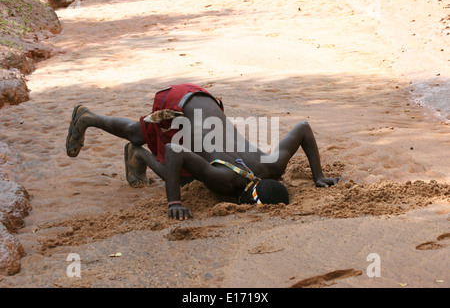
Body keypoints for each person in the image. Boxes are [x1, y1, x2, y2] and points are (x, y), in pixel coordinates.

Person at [66, 83, 340, 220]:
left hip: (201, 98)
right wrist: (174, 202)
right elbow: (174, 150)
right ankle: (91, 120)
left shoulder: (274, 164)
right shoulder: (227, 181)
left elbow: (303, 127)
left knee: (181, 168)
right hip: (179, 107)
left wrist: (319, 175)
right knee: (174, 170)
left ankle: (137, 153)